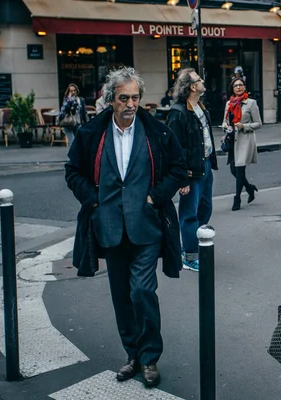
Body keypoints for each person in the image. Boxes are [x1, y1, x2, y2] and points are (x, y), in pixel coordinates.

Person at [65, 67, 187, 387]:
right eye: (124, 98)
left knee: (142, 291)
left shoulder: (156, 132)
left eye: (135, 97)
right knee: (121, 296)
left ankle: (149, 358)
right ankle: (132, 354)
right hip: (109, 228)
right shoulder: (92, 134)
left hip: (146, 228)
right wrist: (92, 200)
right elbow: (73, 172)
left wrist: (155, 197)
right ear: (110, 100)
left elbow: (178, 168)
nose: (131, 104)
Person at [166, 69, 218, 272]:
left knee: (205, 209)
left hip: (204, 165)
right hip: (191, 171)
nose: (203, 80)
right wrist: (182, 178)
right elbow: (175, 148)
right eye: (199, 79)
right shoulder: (178, 112)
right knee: (189, 214)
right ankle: (189, 255)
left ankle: (192, 243)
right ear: (192, 86)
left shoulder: (200, 107)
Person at [222, 78, 261, 211]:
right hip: (232, 140)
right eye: (235, 85)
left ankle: (237, 198)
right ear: (232, 88)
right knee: (233, 170)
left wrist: (244, 125)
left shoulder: (251, 103)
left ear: (244, 87)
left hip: (244, 140)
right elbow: (225, 121)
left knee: (239, 170)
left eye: (240, 85)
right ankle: (250, 188)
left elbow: (258, 123)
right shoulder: (229, 104)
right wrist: (225, 127)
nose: (238, 87)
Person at [58, 83, 88, 147]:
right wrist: (70, 100)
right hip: (68, 123)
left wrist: (87, 123)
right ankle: (74, 156)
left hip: (77, 123)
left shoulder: (81, 100)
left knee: (79, 142)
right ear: (68, 92)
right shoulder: (66, 100)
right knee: (72, 142)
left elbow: (84, 112)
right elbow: (64, 111)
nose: (73, 92)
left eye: (74, 90)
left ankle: (77, 156)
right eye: (71, 91)